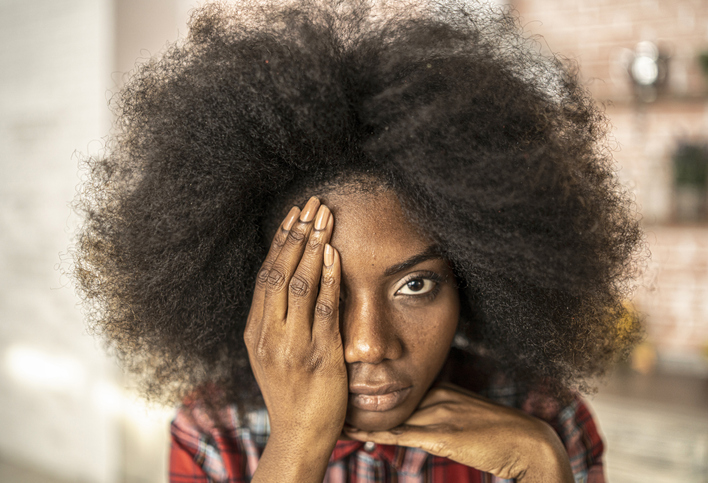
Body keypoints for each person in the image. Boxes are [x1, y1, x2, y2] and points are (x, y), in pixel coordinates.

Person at [72, 0, 644, 481]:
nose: (370, 345)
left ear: (475, 279)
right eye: (321, 289)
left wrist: (543, 466)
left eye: (416, 284)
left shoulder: (546, 420)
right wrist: (296, 446)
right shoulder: (216, 430)